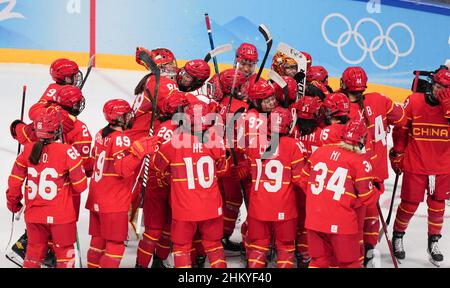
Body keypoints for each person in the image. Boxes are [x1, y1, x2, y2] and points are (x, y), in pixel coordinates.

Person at [9, 86, 93, 267]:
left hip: (34, 211)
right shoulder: (73, 141)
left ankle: (32, 247)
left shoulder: (38, 128)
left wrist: (17, 127)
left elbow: (15, 178)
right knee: (65, 253)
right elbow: (81, 181)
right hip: (62, 209)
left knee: (33, 253)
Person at [340, 66, 406, 267]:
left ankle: (355, 252)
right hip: (375, 171)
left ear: (344, 84)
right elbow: (402, 118)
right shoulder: (379, 99)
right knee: (370, 214)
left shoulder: (342, 108)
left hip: (352, 175)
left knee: (352, 215)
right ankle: (370, 251)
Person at [151, 101, 228, 268]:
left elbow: (156, 166)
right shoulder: (216, 140)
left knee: (182, 248)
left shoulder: (173, 142)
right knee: (214, 246)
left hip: (184, 209)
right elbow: (223, 170)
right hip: (211, 206)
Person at [86, 99, 159, 268]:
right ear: (120, 118)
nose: (131, 117)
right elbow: (123, 169)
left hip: (96, 198)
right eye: (127, 114)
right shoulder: (121, 139)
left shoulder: (100, 133)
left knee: (97, 242)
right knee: (115, 245)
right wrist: (138, 152)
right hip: (113, 202)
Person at [390, 67, 450, 267]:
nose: (441, 91)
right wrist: (398, 153)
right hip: (416, 164)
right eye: (439, 86)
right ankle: (398, 236)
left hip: (442, 166)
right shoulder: (414, 101)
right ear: (432, 84)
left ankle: (433, 243)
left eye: (446, 88)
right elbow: (401, 128)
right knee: (409, 204)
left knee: (438, 206)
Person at [300, 119, 381, 268]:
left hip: (314, 220)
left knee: (318, 262)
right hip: (342, 223)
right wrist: (377, 188)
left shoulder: (320, 151)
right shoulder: (360, 162)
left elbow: (303, 181)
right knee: (349, 263)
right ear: (363, 139)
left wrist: (320, 198)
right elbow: (368, 199)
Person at [244, 107, 306, 268]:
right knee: (285, 247)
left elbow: (246, 168)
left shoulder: (254, 142)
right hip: (284, 207)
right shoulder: (295, 145)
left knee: (258, 246)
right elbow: (300, 180)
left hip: (258, 206)